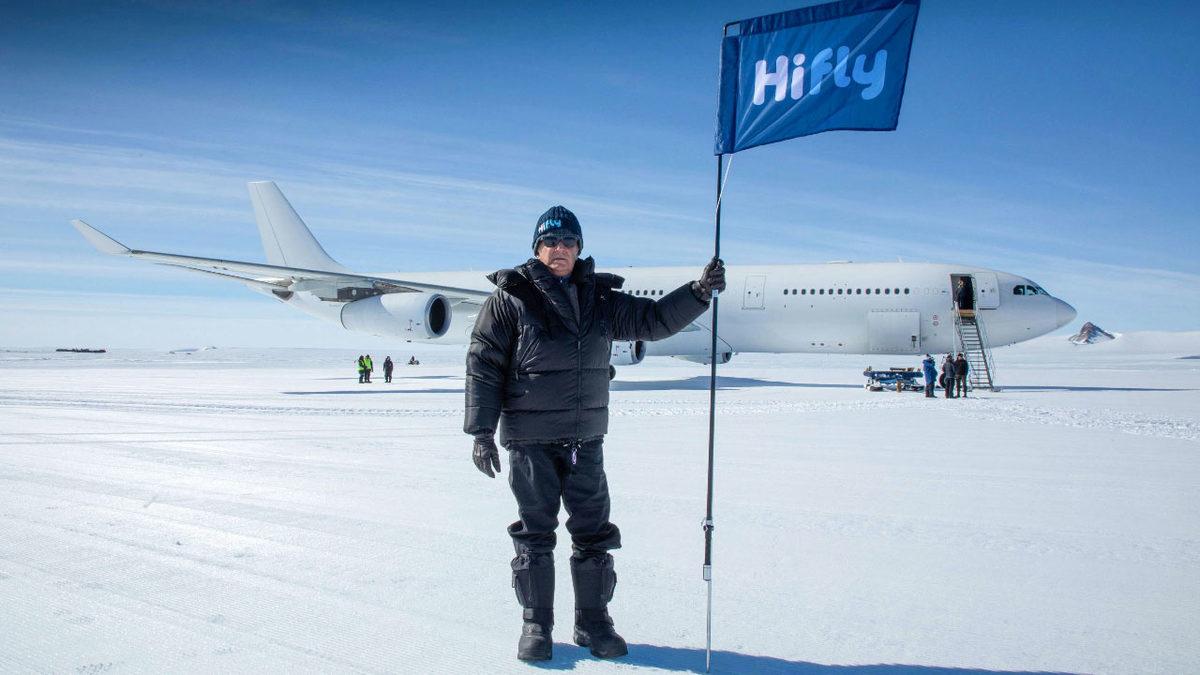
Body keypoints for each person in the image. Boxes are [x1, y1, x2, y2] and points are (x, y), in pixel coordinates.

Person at [465, 205, 725, 662]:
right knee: (536, 532)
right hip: (530, 439)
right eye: (550, 241)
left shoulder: (599, 298)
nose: (559, 248)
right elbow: (483, 363)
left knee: (593, 531)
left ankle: (593, 623)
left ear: (579, 248)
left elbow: (654, 320)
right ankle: (536, 625)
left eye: (568, 241)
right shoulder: (510, 298)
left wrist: (698, 292)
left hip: (585, 439)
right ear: (537, 248)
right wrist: (481, 431)